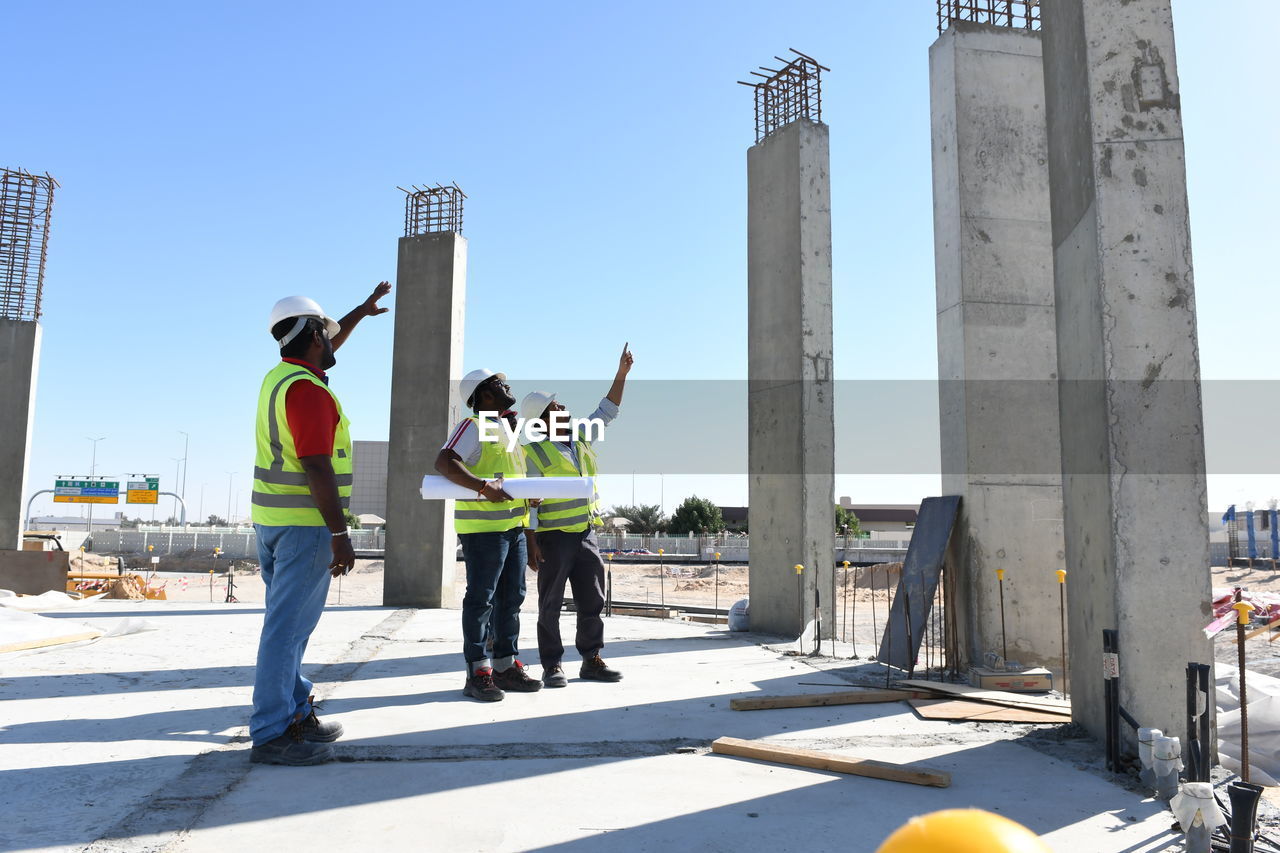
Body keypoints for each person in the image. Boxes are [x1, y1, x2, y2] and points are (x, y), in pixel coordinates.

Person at [248, 282, 391, 766]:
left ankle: (295, 711)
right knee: (286, 632)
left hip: (274, 522)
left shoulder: (282, 377)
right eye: (325, 333)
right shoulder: (308, 393)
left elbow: (328, 350)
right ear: (311, 335)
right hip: (306, 527)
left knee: (287, 628)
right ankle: (271, 733)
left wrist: (358, 314)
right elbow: (316, 465)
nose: (332, 340)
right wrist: (339, 534)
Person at [522, 343, 633, 688]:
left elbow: (608, 410)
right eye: (557, 406)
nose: (564, 407)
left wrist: (621, 374)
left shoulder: (580, 438)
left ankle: (591, 660)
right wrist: (531, 542)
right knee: (550, 604)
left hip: (586, 534)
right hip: (553, 539)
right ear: (543, 418)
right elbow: (529, 504)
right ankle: (552, 665)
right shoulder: (534, 453)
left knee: (592, 600)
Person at [435, 369, 543, 701]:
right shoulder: (473, 426)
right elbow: (444, 462)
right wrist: (482, 487)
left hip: (512, 530)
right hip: (484, 531)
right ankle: (478, 671)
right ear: (484, 395)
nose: (507, 386)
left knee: (511, 600)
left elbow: (507, 481)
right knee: (481, 601)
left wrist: (528, 496)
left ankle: (505, 667)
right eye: (500, 384)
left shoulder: (506, 432)